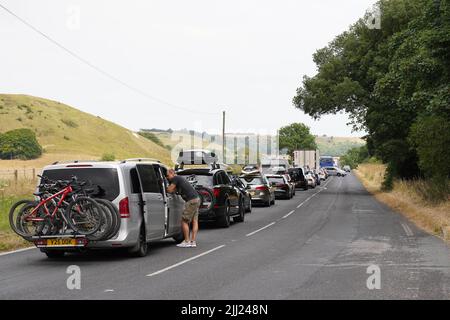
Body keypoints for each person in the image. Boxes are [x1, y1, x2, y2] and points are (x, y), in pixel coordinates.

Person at [166, 169, 200, 248]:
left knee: (184, 221)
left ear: (172, 173)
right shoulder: (180, 180)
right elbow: (174, 191)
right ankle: (193, 242)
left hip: (191, 201)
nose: (167, 178)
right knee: (195, 221)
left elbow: (170, 190)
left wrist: (164, 187)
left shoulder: (176, 178)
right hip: (197, 199)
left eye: (168, 176)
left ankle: (187, 241)